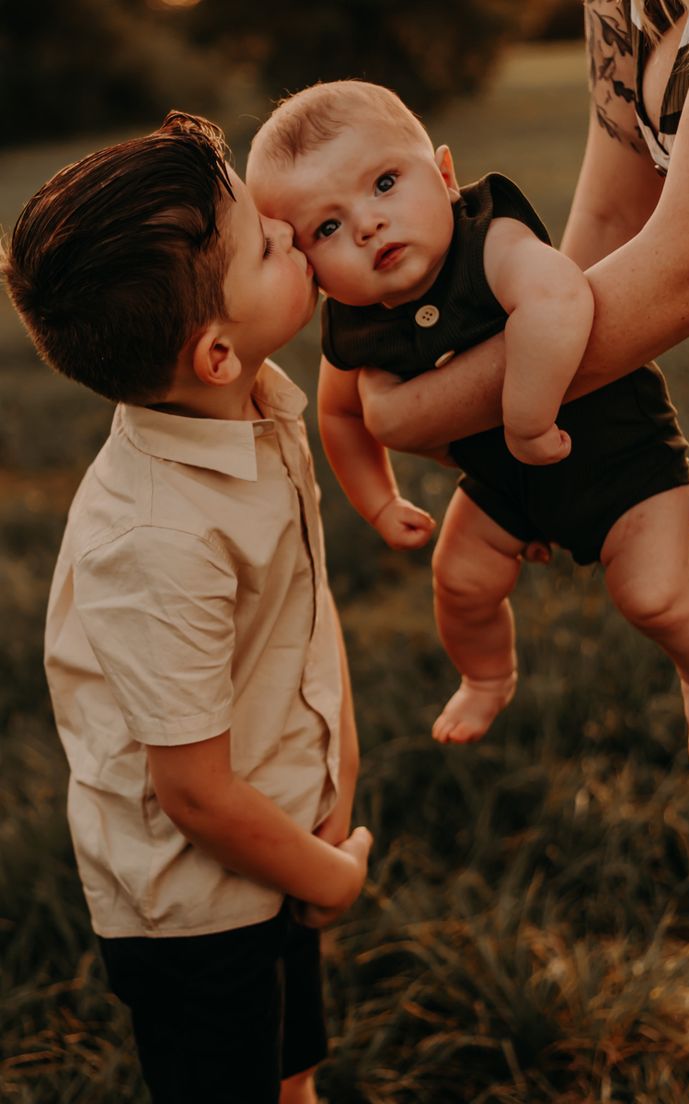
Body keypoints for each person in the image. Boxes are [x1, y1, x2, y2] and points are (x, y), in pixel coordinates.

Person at [1, 110, 372, 1104]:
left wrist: (336, 772)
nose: (292, 232)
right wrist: (323, 873)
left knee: (291, 1066)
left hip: (280, 831)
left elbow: (300, 596)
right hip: (200, 904)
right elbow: (195, 794)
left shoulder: (253, 400)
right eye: (265, 242)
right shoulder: (157, 541)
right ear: (212, 351)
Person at [245, 78, 689, 764]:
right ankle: (487, 674)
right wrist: (380, 501)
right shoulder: (354, 326)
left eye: (385, 183)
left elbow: (559, 298)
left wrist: (529, 422)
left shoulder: (490, 236)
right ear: (313, 269)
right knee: (461, 581)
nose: (366, 224)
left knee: (654, 597)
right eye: (327, 227)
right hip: (504, 486)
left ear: (444, 175)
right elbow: (341, 414)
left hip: (623, 458)